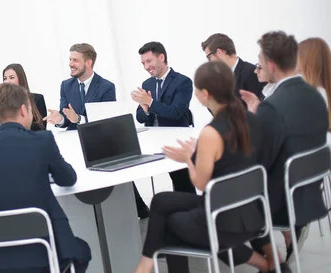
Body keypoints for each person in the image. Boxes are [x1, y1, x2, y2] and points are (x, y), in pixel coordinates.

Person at [133, 61, 272, 273]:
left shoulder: (211, 132)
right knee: (161, 201)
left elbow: (200, 182)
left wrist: (189, 158)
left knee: (168, 225)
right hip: (252, 209)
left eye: (197, 90)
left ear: (205, 94)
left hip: (223, 219)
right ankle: (145, 264)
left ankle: (144, 267)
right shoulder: (248, 118)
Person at [0, 83, 91, 273]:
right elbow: (67, 179)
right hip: (45, 251)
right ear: (24, 110)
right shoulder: (42, 141)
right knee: (81, 251)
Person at [241, 31, 328, 270]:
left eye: (259, 62)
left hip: (283, 201)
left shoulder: (273, 106)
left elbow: (258, 162)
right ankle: (276, 257)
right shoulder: (316, 97)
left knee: (230, 200)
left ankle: (272, 264)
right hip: (309, 191)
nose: (256, 67)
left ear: (271, 64)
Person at [131, 41, 196, 217]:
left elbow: (176, 112)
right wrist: (145, 109)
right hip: (154, 141)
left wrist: (150, 103)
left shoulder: (182, 82)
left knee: (182, 182)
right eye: (143, 63)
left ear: (162, 57)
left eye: (149, 61)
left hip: (176, 140)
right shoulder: (147, 84)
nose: (146, 66)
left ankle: (192, 217)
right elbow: (140, 116)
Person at [43, 43, 116, 130]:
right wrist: (60, 119)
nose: (70, 64)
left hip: (98, 136)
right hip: (73, 138)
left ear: (88, 63)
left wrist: (79, 119)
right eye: (70, 59)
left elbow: (106, 120)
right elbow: (66, 117)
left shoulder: (106, 87)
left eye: (75, 60)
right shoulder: (65, 86)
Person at [201, 33, 266, 102]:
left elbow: (260, 108)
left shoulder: (251, 73)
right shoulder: (220, 80)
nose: (209, 63)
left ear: (219, 52)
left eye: (209, 58)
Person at [2, 63, 47, 131]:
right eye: (5, 78)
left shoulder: (37, 99)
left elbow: (42, 127)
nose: (7, 81)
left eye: (11, 77)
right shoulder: (3, 103)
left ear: (20, 78)